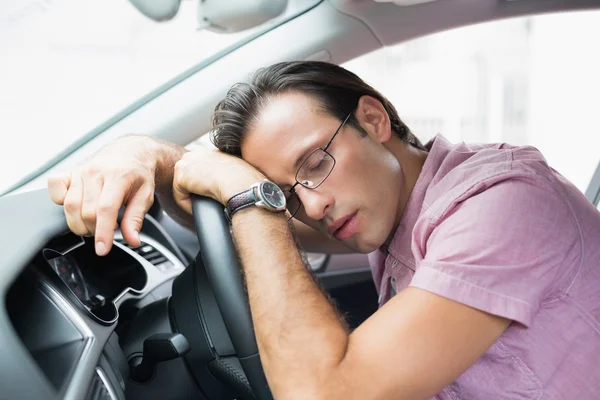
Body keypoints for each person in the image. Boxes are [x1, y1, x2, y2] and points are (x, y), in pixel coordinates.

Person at [48, 61, 600, 399]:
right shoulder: (389, 208)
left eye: (313, 162)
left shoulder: (500, 205)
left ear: (373, 119)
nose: (309, 207)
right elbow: (201, 204)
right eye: (285, 193)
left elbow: (324, 392)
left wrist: (252, 198)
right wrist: (140, 153)